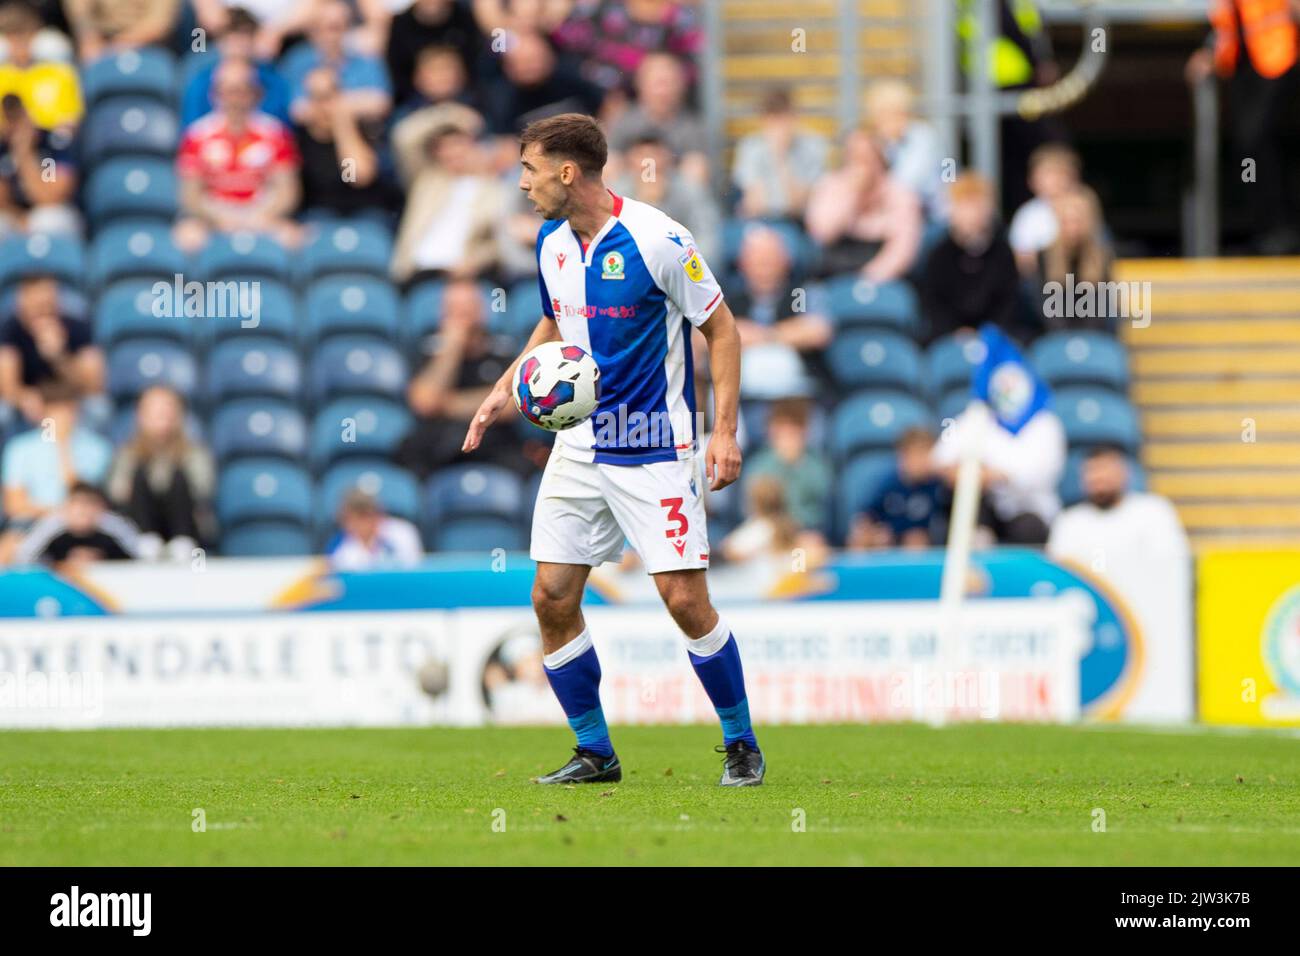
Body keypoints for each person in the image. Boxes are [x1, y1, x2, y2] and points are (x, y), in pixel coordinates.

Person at [461, 113, 764, 786]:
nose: (521, 184)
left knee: (684, 600)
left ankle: (742, 742)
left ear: (568, 172)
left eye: (529, 169)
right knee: (551, 596)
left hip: (654, 444)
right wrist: (506, 385)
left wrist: (724, 431)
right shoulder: (550, 243)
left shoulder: (659, 239)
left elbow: (723, 330)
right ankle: (595, 751)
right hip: (579, 443)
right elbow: (555, 321)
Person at [1187, 0, 1300, 253]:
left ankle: (1280, 229)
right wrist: (1209, 55)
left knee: (1256, 137)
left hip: (1278, 57)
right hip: (1243, 63)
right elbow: (1227, 26)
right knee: (1247, 146)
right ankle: (1267, 229)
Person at [395, 278, 521, 479]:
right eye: (453, 311)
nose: (461, 319)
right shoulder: (425, 351)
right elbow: (424, 402)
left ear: (482, 312)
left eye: (467, 310)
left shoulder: (503, 352)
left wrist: (445, 404)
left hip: (494, 445)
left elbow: (510, 407)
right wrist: (452, 348)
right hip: (438, 446)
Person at [174, 59, 302, 252]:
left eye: (242, 90)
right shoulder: (197, 135)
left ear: (255, 94)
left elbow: (287, 191)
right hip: (214, 213)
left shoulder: (275, 133)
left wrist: (259, 217)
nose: (235, 99)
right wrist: (219, 218)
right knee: (186, 237)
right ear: (214, 94)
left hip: (261, 212)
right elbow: (190, 195)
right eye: (228, 91)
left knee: (292, 238)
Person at [390, 103, 506, 284]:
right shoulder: (427, 179)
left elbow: (500, 241)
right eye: (444, 147)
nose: (452, 153)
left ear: (474, 146)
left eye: (457, 144)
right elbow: (403, 136)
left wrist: (475, 262)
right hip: (417, 271)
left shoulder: (494, 189)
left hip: (464, 276)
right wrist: (451, 114)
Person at [0, 381, 112, 560]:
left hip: (84, 522)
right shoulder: (20, 448)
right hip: (34, 521)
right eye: (53, 412)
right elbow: (15, 505)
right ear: (43, 413)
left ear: (76, 412)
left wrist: (63, 448)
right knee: (8, 546)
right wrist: (55, 513)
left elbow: (81, 495)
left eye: (66, 411)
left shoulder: (97, 448)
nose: (60, 419)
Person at [106, 385, 214, 563]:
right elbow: (117, 491)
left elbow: (202, 489)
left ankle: (183, 541)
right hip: (140, 522)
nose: (162, 418)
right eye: (155, 412)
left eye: (167, 411)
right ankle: (146, 542)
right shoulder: (128, 453)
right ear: (141, 416)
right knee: (139, 477)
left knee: (179, 479)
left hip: (184, 522)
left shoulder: (193, 452)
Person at [805, 127, 922, 282]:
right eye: (856, 157)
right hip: (836, 271)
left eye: (867, 157)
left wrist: (867, 279)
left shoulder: (899, 193)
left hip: (883, 276)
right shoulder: (831, 185)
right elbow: (822, 233)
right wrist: (852, 195)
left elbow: (904, 248)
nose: (861, 165)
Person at [921, 172, 1022, 345]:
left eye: (978, 204)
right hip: (947, 337)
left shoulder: (1002, 253)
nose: (972, 213)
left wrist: (988, 331)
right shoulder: (939, 254)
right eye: (965, 205)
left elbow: (1008, 300)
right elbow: (933, 302)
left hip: (995, 335)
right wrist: (955, 331)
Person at [0, 274, 103, 425]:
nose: (44, 312)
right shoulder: (10, 330)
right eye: (37, 305)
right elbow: (8, 387)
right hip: (30, 399)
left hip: (70, 397)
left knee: (98, 409)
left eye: (48, 304)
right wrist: (23, 398)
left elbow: (92, 387)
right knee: (3, 413)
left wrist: (59, 357)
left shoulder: (77, 327)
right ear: (22, 303)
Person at [294, 65, 394, 220]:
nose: (323, 106)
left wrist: (343, 126)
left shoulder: (363, 129)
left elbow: (355, 177)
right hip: (319, 218)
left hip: (363, 215)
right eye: (316, 98)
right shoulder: (299, 138)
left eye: (328, 97)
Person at [279, 0, 392, 126]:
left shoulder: (365, 59)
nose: (333, 35)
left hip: (361, 133)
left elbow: (381, 103)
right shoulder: (298, 60)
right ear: (312, 30)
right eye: (328, 28)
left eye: (338, 27)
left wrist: (324, 101)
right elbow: (297, 109)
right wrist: (352, 103)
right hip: (311, 137)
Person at [179, 6, 293, 127]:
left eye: (245, 37)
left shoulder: (273, 82)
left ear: (255, 40)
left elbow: (281, 128)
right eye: (232, 37)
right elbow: (191, 129)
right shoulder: (201, 83)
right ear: (219, 41)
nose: (238, 45)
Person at [731, 86, 827, 222]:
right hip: (760, 223)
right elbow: (755, 205)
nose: (778, 127)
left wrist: (781, 157)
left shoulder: (813, 146)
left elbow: (798, 206)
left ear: (793, 117)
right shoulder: (751, 146)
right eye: (772, 120)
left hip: (796, 224)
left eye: (782, 119)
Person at [740, 398, 832, 536]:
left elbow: (821, 506)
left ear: (805, 432)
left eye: (793, 430)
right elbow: (751, 508)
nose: (787, 437)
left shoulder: (817, 465)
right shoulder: (758, 465)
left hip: (806, 533)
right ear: (771, 431)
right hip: (769, 533)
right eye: (781, 430)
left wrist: (795, 465)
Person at [849, 427, 948, 550]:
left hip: (926, 547)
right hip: (889, 544)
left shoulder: (939, 486)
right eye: (914, 455)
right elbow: (867, 516)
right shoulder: (889, 485)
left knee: (916, 540)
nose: (919, 462)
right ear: (902, 457)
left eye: (924, 454)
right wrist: (870, 532)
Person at [864, 79, 946, 222]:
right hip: (889, 213)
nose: (891, 120)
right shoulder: (874, 140)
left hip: (929, 213)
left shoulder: (922, 135)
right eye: (882, 114)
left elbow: (910, 181)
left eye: (897, 113)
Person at [0, 92, 81, 238]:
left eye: (19, 115)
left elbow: (49, 197)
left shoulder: (53, 144)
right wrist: (19, 217)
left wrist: (24, 153)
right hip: (17, 215)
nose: (15, 123)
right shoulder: (3, 148)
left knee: (47, 220)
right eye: (10, 117)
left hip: (52, 213)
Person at [1037, 185, 1113, 333]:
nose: (1073, 228)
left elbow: (1100, 311)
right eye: (1067, 221)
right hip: (1056, 339)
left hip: (1093, 338)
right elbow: (1046, 309)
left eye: (1078, 221)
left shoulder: (1102, 257)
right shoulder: (1044, 257)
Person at [15, 481, 140, 568]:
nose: (84, 510)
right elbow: (24, 557)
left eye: (90, 504)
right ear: (66, 507)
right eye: (78, 504)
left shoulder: (113, 525)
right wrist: (61, 564)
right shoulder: (52, 525)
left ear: (101, 508)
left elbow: (141, 555)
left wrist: (102, 561)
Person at [0, 2, 81, 130]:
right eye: (11, 37)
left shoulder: (60, 74)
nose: (19, 45)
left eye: (24, 36)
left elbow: (72, 118)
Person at [1007, 142, 1081, 274]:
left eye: (1060, 174)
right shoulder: (1029, 214)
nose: (1055, 181)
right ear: (1032, 180)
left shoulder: (1084, 208)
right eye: (1048, 174)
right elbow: (1022, 261)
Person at [325, 488, 423, 570]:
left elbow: (412, 570)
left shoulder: (403, 532)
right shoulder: (339, 546)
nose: (357, 525)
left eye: (365, 515)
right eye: (351, 519)